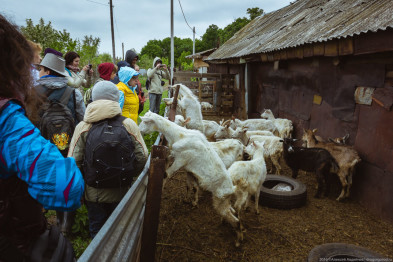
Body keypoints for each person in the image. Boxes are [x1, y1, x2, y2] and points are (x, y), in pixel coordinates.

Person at [0, 14, 84, 261]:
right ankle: (65, 224)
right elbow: (66, 186)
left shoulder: (33, 93)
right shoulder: (7, 118)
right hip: (55, 151)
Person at [68, 81, 148, 238]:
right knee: (120, 231)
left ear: (93, 99)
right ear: (115, 98)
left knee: (97, 231)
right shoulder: (128, 124)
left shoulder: (83, 126)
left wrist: (84, 185)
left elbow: (73, 162)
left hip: (93, 193)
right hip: (122, 190)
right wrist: (128, 173)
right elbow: (143, 157)